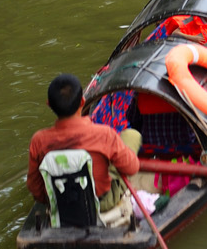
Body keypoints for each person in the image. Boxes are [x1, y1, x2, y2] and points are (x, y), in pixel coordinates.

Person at [25, 73, 140, 224]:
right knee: (132, 135)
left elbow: (35, 188)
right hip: (102, 203)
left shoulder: (38, 141)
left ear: (49, 105)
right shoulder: (104, 134)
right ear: (82, 101)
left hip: (62, 204)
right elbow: (131, 169)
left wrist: (50, 201)